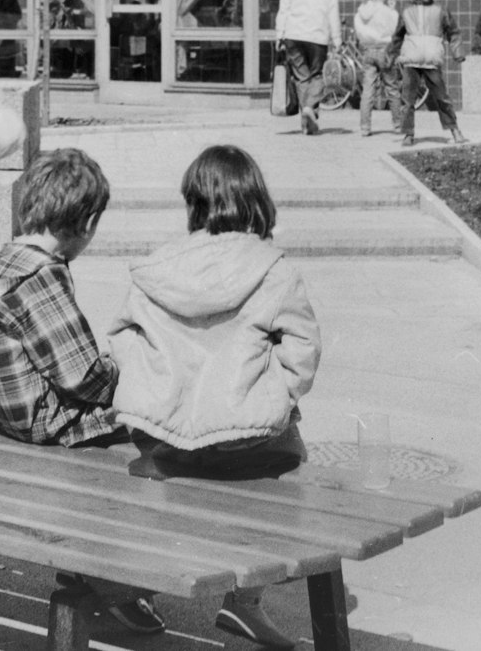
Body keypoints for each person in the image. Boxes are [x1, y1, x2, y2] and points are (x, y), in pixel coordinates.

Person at [0, 148, 167, 636]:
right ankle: (114, 581)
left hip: (2, 414)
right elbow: (83, 375)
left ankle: (99, 570)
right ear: (84, 222)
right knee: (159, 432)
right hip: (48, 425)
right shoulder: (41, 273)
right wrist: (133, 372)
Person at [106, 145, 321, 650]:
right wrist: (276, 394)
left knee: (165, 480)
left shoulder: (158, 267)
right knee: (295, 458)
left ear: (193, 203)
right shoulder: (274, 269)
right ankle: (243, 603)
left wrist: (157, 393)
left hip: (167, 447)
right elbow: (303, 353)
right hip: (253, 448)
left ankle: (135, 586)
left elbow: (120, 340)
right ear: (256, 200)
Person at [388, 0, 467, 146]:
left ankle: (454, 129)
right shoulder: (407, 11)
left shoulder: (440, 10)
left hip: (432, 61)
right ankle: (408, 133)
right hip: (411, 61)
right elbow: (397, 36)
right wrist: (391, 56)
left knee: (442, 98)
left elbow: (453, 32)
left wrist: (458, 51)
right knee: (408, 100)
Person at [275, 0, 342, 135]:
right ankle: (309, 108)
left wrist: (279, 34)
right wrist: (337, 38)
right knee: (318, 75)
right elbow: (332, 8)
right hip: (317, 34)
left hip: (293, 33)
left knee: (301, 76)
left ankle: (306, 123)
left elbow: (284, 5)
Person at [353, 0, 401, 137]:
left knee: (368, 90)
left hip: (368, 51)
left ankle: (365, 127)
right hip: (384, 51)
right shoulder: (386, 11)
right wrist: (393, 10)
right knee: (392, 87)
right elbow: (393, 28)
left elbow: (359, 28)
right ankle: (397, 124)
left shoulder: (362, 9)